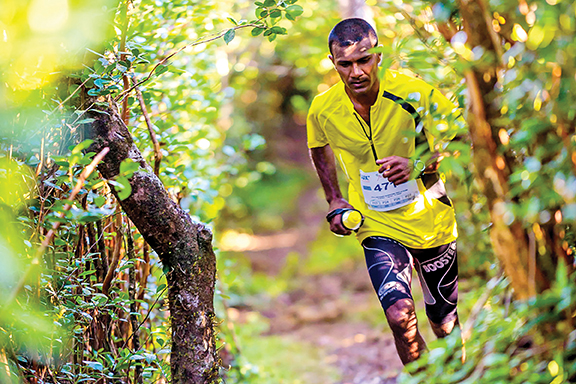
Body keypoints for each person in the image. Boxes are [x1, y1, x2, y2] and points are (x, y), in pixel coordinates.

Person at [306, 18, 465, 365]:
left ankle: (458, 376)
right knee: (399, 316)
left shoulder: (415, 93)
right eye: (345, 64)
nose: (356, 72)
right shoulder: (323, 107)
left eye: (363, 60)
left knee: (444, 323)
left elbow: (462, 138)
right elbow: (318, 147)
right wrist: (334, 197)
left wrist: (418, 164)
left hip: (430, 217)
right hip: (375, 222)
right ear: (333, 63)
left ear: (378, 56)